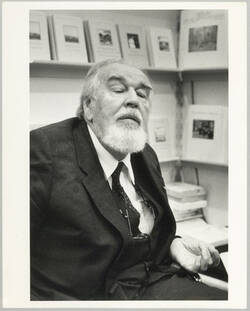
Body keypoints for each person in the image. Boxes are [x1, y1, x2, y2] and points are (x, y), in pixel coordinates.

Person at [30, 59, 227, 300]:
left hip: (150, 285)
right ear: (89, 107)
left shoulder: (145, 155)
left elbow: (142, 235)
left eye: (143, 94)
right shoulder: (43, 150)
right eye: (118, 89)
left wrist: (172, 247)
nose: (134, 100)